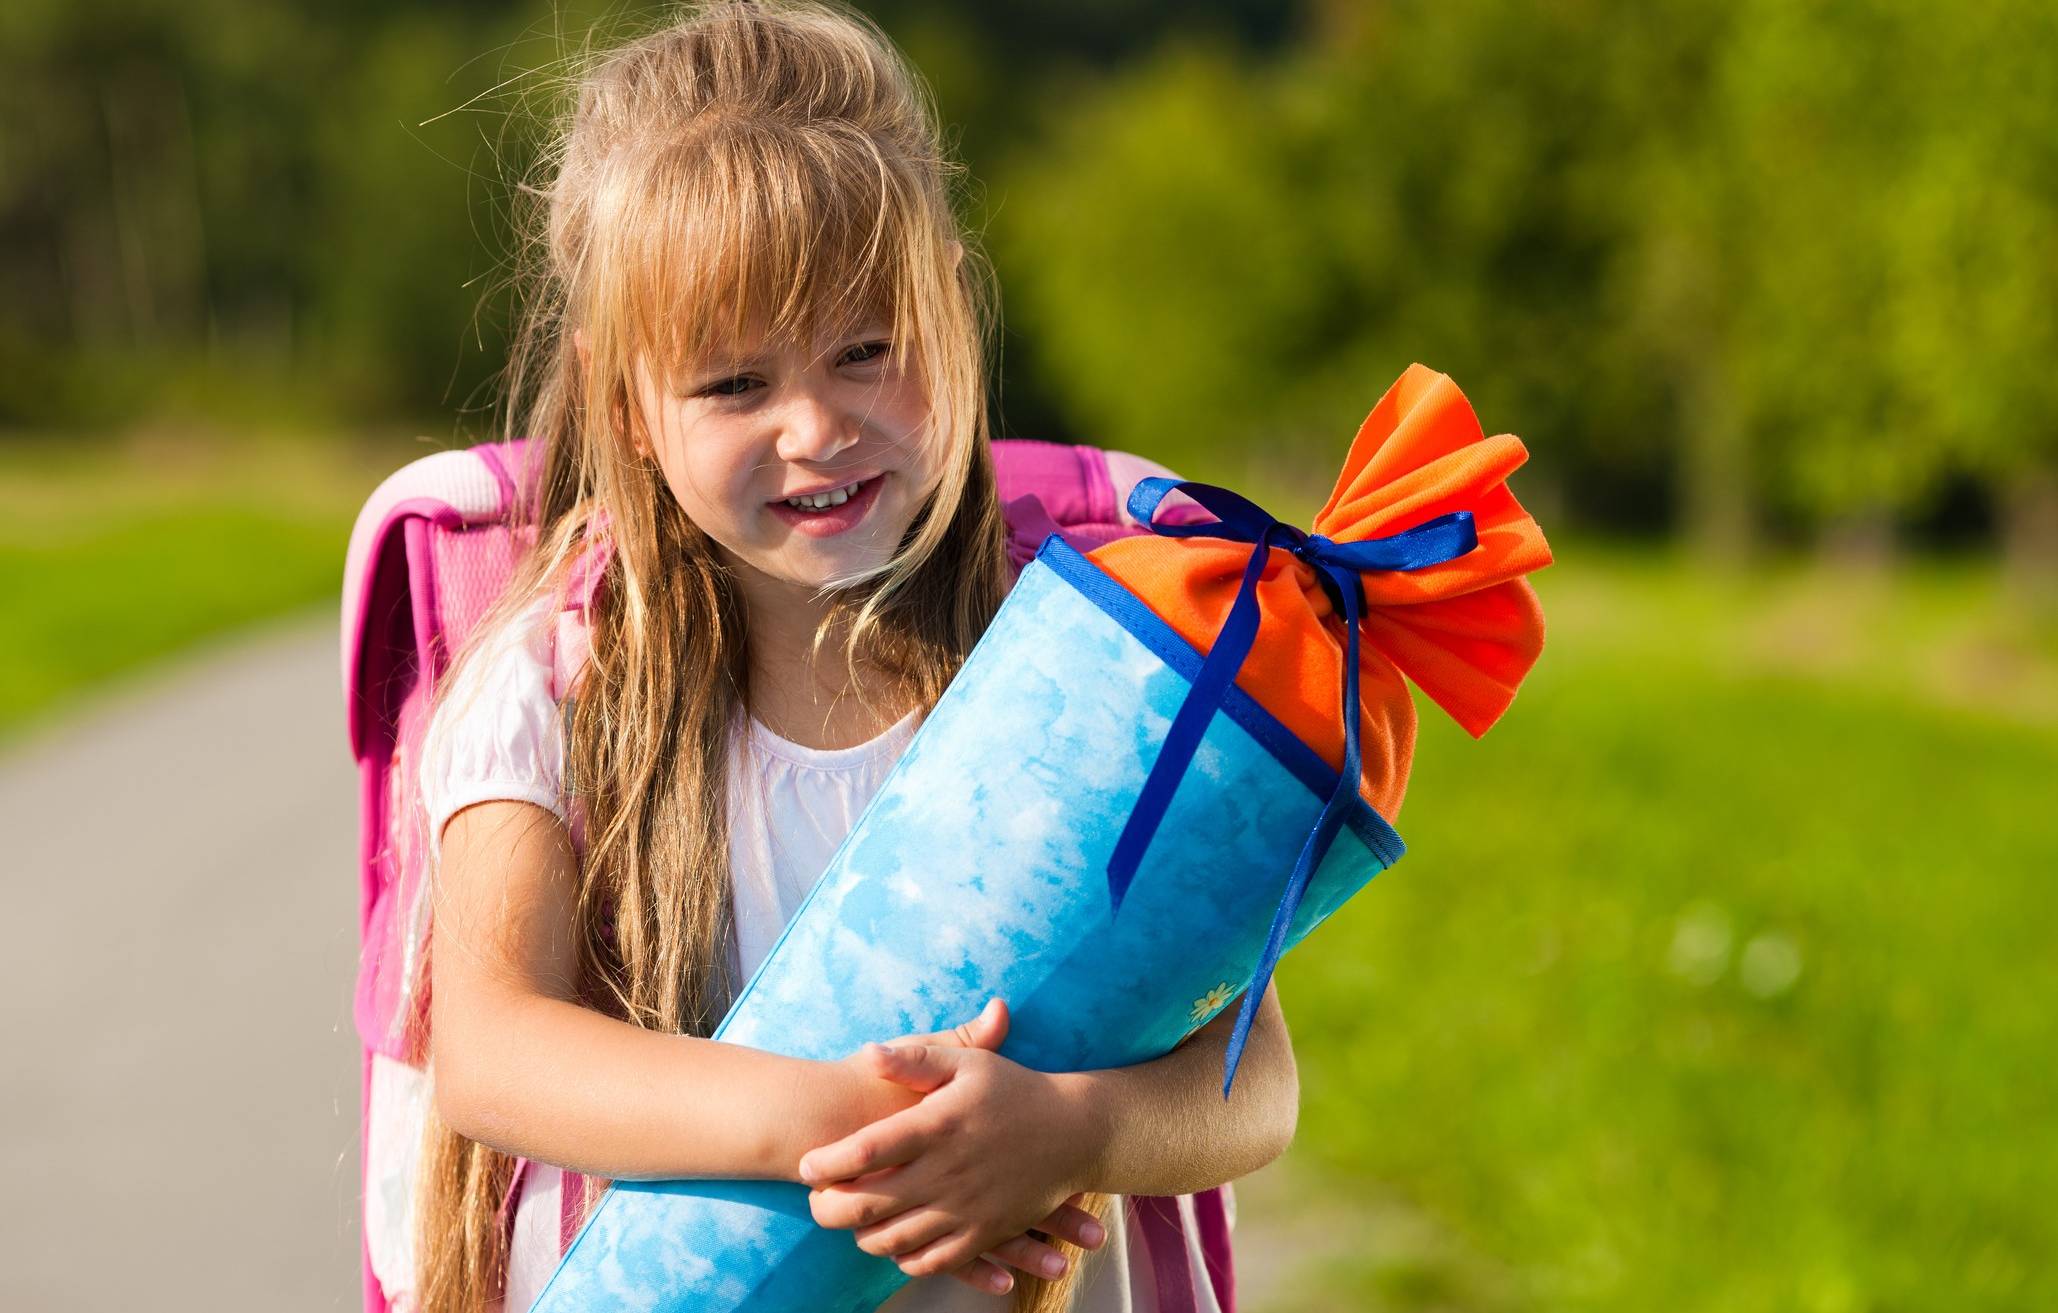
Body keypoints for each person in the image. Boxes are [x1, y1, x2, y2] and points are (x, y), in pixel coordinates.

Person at [394, 3, 1299, 1309]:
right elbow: (491, 1050)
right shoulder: (556, 684)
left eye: (866, 350)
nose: (817, 426)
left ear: (948, 299)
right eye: (733, 384)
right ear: (625, 408)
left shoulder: (1075, 666)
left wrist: (1064, 1134)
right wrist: (858, 1131)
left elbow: (1251, 1078)